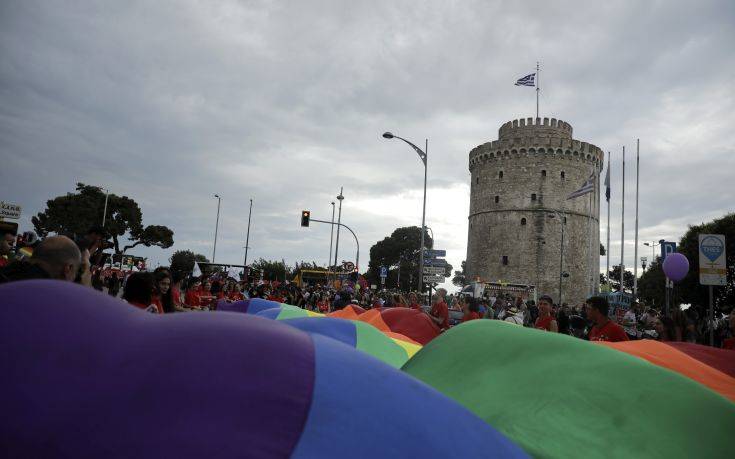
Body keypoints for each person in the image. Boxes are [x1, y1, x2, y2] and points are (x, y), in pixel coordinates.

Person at [0, 235, 82, 284]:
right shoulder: (56, 301)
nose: (74, 277)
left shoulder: (6, 274)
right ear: (68, 269)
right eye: (75, 272)